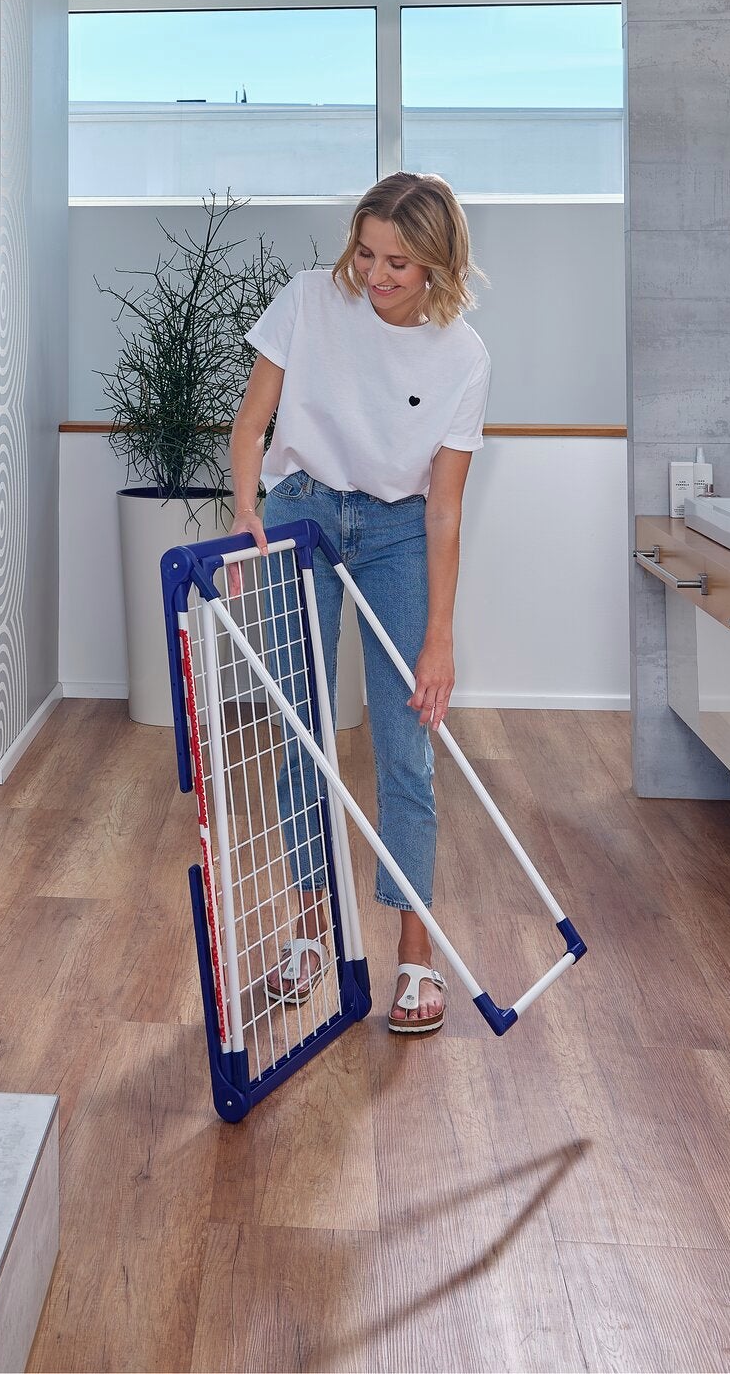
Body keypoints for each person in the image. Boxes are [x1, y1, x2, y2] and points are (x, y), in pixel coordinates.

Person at [227, 171, 490, 1037]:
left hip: (397, 532)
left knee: (404, 739)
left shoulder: (462, 357)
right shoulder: (308, 300)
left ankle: (416, 954)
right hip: (304, 510)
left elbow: (445, 506)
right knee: (302, 730)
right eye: (367, 253)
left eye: (399, 264)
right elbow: (251, 421)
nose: (375, 276)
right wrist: (244, 513)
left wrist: (441, 639)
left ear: (438, 268)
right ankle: (312, 934)